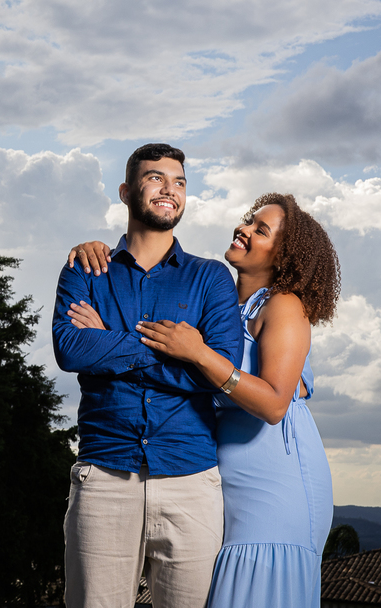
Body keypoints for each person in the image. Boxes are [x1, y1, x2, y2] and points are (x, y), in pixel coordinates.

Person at [67, 193, 341, 608]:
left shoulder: (283, 306)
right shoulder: (219, 303)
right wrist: (107, 333)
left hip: (274, 479)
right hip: (222, 477)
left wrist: (198, 354)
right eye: (248, 220)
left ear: (284, 255)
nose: (243, 229)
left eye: (260, 229)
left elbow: (273, 405)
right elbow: (164, 353)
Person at [53, 143, 244, 608]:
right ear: (125, 192)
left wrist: (108, 342)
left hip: (190, 479)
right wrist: (183, 351)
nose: (169, 189)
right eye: (155, 178)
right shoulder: (86, 268)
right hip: (104, 475)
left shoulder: (211, 278)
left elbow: (218, 372)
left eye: (179, 182)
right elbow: (71, 348)